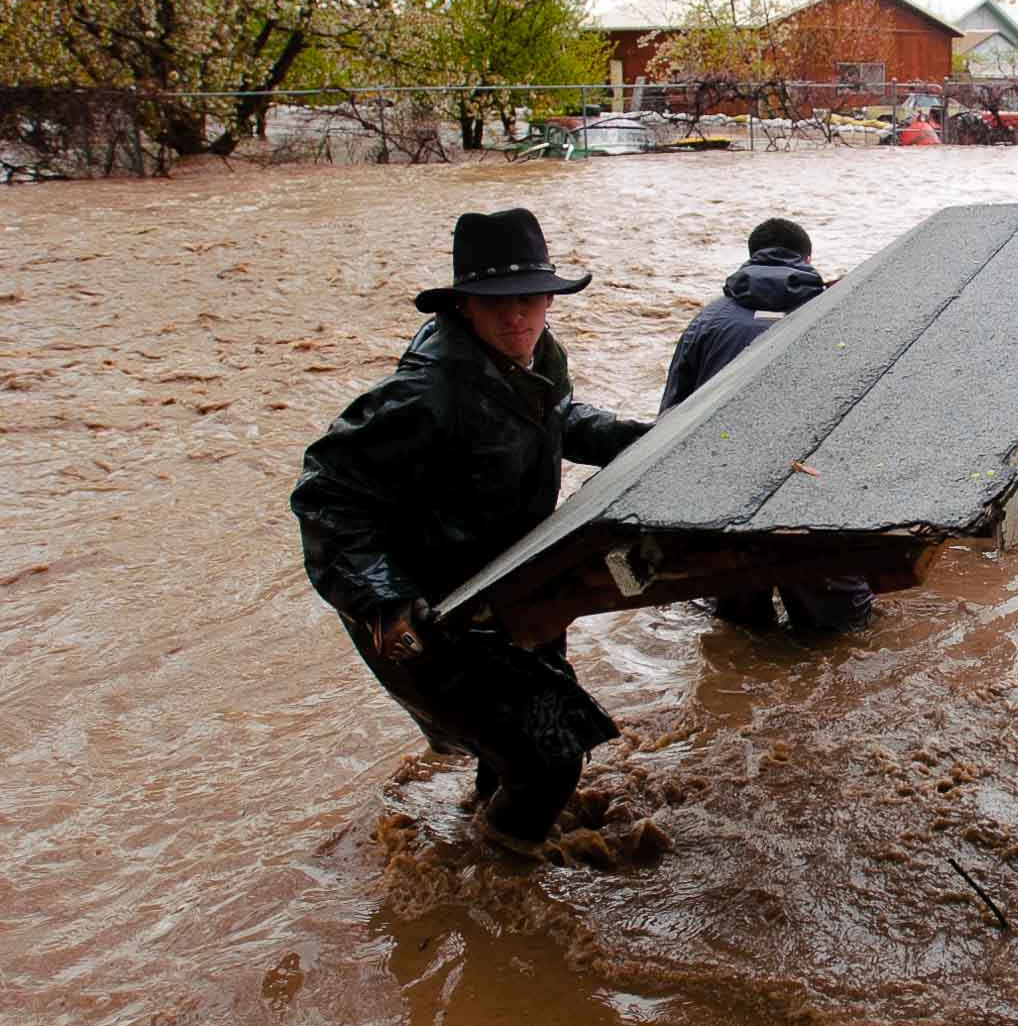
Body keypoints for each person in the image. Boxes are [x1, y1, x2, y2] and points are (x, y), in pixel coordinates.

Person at [290, 209, 652, 853]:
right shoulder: (426, 395)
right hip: (428, 611)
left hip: (512, 584)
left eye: (529, 300)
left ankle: (484, 822)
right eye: (496, 305)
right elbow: (326, 496)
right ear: (464, 307)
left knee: (528, 731)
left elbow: (558, 418)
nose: (516, 318)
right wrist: (387, 607)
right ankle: (498, 882)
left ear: (549, 298)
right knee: (550, 759)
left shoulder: (537, 358)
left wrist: (636, 441)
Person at [659, 217, 874, 632]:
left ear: (750, 258)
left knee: (738, 630)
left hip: (723, 500)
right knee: (842, 636)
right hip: (811, 498)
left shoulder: (706, 322)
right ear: (807, 260)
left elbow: (669, 420)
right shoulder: (839, 314)